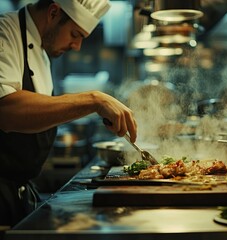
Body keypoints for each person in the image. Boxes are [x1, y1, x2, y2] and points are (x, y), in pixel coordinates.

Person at [0, 0, 137, 227]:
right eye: (75, 34)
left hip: (18, 193)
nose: (77, 46)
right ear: (54, 12)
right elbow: (6, 110)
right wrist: (94, 100)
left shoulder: (43, 47)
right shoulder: (5, 34)